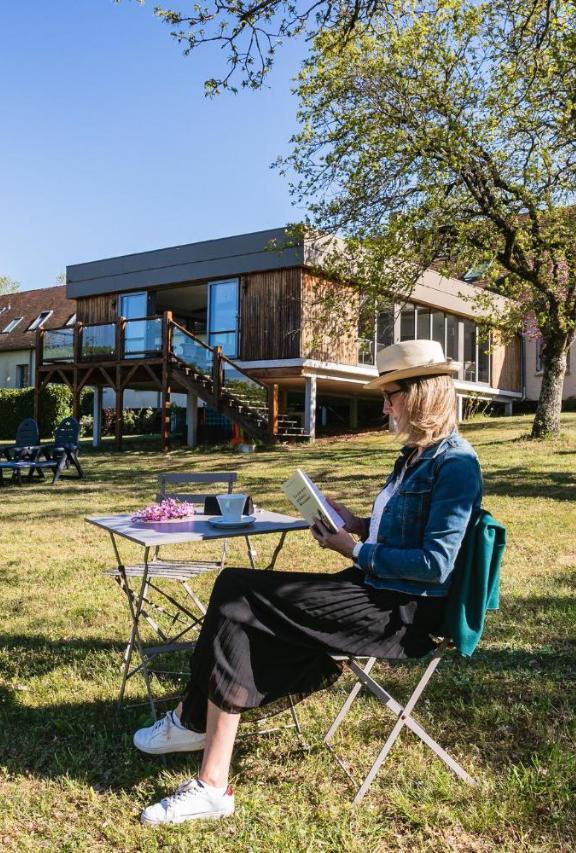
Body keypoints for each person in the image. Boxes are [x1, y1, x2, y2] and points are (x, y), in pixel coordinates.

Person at [133, 339, 482, 825]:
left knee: (237, 590)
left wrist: (354, 549)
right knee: (238, 600)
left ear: (423, 394)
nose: (384, 405)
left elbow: (436, 564)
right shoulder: (414, 458)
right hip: (375, 588)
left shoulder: (457, 464)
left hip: (403, 613)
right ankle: (197, 730)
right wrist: (355, 522)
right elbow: (402, 532)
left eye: (392, 394)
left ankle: (204, 759)